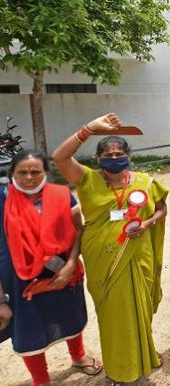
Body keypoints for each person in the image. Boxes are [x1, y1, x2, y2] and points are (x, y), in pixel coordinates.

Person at [52, 115, 168, 385]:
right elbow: (59, 157)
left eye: (119, 153)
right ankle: (117, 370)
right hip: (102, 258)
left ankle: (141, 356)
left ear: (128, 155)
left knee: (140, 309)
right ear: (98, 158)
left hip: (138, 254)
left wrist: (148, 222)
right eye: (108, 154)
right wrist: (89, 129)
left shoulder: (144, 182)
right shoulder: (87, 178)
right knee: (114, 317)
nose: (114, 157)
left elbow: (162, 208)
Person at [0, 151, 102, 386]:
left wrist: (70, 264)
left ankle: (78, 356)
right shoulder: (2, 200)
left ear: (46, 172)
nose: (28, 177)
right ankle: (41, 379)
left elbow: (78, 229)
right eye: (22, 172)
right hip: (20, 277)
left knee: (71, 314)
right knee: (30, 328)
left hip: (63, 270)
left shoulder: (61, 195)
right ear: (11, 174)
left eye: (35, 172)